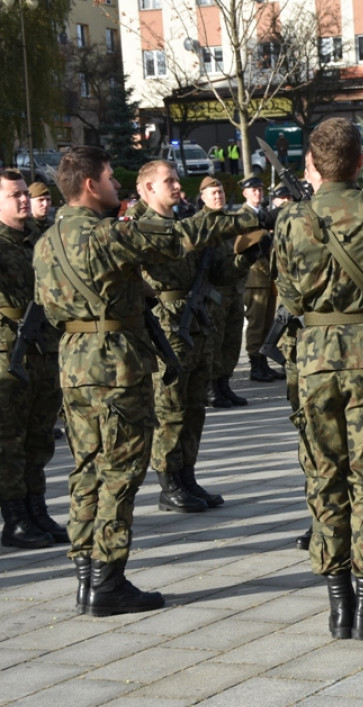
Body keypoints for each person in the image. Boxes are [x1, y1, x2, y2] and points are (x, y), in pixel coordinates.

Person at [33, 146, 262, 616]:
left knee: (86, 470)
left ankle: (87, 576)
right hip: (115, 365)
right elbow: (179, 237)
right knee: (119, 475)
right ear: (91, 185)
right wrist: (245, 218)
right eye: (111, 178)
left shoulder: (45, 242)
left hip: (74, 365)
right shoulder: (104, 236)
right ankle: (108, 583)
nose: (117, 185)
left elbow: (48, 307)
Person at [274, 117, 363, 641]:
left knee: (324, 479)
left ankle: (338, 606)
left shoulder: (291, 220)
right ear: (360, 162)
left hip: (314, 362)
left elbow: (289, 298)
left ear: (311, 164)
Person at [135, 161, 232, 513]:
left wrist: (246, 257)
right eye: (169, 181)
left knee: (194, 406)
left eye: (177, 180)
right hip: (168, 324)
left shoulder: (183, 224)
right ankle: (168, 481)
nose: (177, 186)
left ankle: (187, 475)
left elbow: (218, 272)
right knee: (170, 406)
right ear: (147, 189)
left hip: (197, 320)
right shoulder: (141, 228)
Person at [0, 170, 65, 550]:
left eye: (25, 193)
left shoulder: (38, 240)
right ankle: (14, 518)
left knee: (40, 435)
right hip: (9, 352)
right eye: (14, 195)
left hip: (43, 347)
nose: (24, 200)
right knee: (9, 438)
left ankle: (37, 509)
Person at [201, 177, 252, 409]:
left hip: (233, 290)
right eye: (213, 193)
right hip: (213, 295)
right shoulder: (199, 224)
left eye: (220, 192)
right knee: (215, 341)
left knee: (232, 340)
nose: (218, 196)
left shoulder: (232, 222)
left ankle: (225, 384)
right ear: (203, 197)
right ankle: (212, 387)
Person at [240, 176, 285, 383]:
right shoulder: (244, 216)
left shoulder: (262, 214)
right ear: (245, 193)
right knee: (257, 324)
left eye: (259, 189)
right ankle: (255, 366)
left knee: (267, 323)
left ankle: (264, 364)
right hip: (255, 278)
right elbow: (248, 248)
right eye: (253, 190)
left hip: (267, 278)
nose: (258, 193)